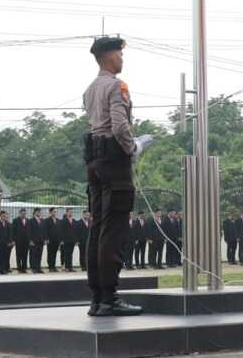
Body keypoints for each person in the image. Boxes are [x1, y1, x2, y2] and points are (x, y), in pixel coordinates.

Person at [83, 36, 152, 316]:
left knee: (98, 229)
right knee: (114, 231)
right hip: (114, 162)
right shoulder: (116, 86)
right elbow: (121, 126)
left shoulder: (90, 89)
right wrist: (134, 147)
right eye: (119, 55)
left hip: (95, 162)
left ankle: (98, 298)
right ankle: (109, 298)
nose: (122, 59)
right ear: (109, 57)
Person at [12, 208, 31, 273]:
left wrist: (30, 239)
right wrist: (13, 240)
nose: (24, 215)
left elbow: (29, 231)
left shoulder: (28, 220)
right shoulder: (15, 220)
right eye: (22, 213)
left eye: (25, 214)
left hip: (26, 241)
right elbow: (13, 231)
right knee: (19, 255)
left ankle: (24, 268)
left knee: (25, 255)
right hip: (18, 241)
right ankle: (19, 268)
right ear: (19, 213)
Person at [28, 208, 46, 273]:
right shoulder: (31, 220)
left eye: (39, 212)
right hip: (33, 241)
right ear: (35, 212)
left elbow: (44, 231)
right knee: (33, 255)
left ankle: (38, 268)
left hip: (41, 241)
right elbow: (29, 231)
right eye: (38, 212)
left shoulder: (42, 220)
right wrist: (30, 240)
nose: (39, 213)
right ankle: (33, 268)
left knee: (39, 255)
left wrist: (44, 239)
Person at [44, 207, 61, 272]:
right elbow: (45, 230)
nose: (55, 213)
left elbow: (59, 231)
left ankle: (53, 266)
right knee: (50, 254)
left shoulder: (58, 220)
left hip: (56, 240)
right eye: (54, 211)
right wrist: (46, 239)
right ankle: (50, 267)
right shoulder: (47, 220)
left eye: (55, 212)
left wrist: (60, 240)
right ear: (50, 212)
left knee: (54, 254)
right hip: (50, 240)